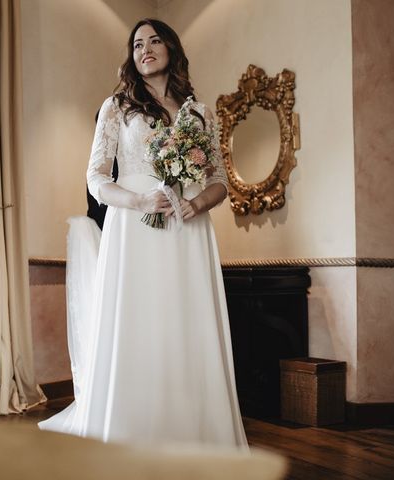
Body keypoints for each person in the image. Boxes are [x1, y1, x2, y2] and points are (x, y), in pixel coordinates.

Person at [39, 18, 247, 449]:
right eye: (137, 44)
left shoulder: (200, 112)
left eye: (154, 40)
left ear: (171, 48)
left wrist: (196, 204)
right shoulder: (117, 107)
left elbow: (220, 181)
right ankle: (132, 428)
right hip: (134, 227)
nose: (145, 48)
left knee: (183, 319)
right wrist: (138, 202)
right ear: (131, 57)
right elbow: (96, 178)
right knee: (140, 317)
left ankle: (193, 428)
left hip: (188, 228)